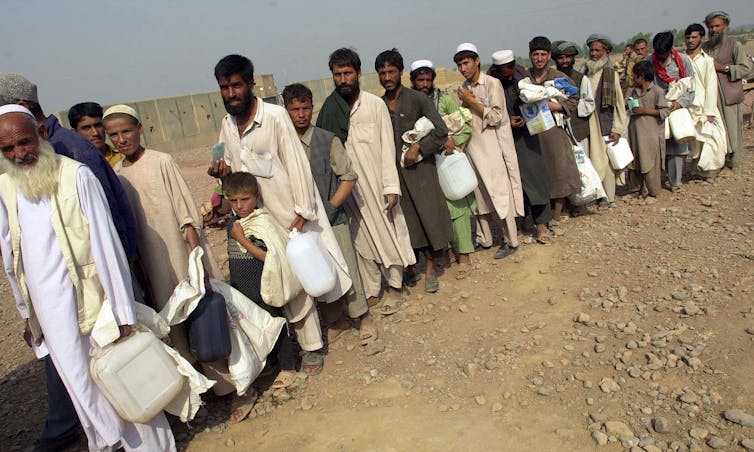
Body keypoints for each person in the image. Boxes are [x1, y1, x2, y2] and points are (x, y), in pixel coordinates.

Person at [0, 105, 175, 451]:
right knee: (84, 391)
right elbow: (11, 258)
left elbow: (106, 245)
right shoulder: (5, 187)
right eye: (7, 149)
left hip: (95, 303)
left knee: (124, 379)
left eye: (24, 142)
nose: (19, 154)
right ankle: (108, 444)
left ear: (41, 134)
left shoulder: (76, 176)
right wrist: (26, 314)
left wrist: (123, 312)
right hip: (52, 316)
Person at [102, 105, 244, 420]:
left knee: (204, 320)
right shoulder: (118, 175)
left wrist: (198, 262)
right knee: (173, 328)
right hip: (152, 266)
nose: (122, 139)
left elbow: (186, 214)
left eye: (126, 131)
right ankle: (197, 393)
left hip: (182, 257)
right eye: (114, 135)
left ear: (139, 128)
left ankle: (231, 389)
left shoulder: (161, 161)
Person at [208, 54, 346, 373]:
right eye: (224, 87)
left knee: (293, 278)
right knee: (264, 280)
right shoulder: (227, 125)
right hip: (250, 217)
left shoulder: (275, 116)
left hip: (284, 213)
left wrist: (303, 209)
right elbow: (229, 168)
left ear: (251, 84)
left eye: (236, 85)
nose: (231, 93)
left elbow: (296, 162)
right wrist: (221, 171)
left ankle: (312, 346)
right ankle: (279, 349)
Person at [316, 48, 415, 315]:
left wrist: (391, 186)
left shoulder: (374, 104)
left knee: (388, 233)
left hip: (377, 184)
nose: (343, 79)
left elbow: (387, 149)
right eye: (338, 74)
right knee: (360, 242)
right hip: (348, 191)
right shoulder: (329, 109)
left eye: (348, 73)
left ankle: (396, 286)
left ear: (358, 73)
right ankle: (372, 290)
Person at [281, 83, 378, 346]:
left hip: (333, 219)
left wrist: (332, 207)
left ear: (312, 108)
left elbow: (348, 176)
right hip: (302, 225)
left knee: (346, 265)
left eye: (306, 108)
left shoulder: (327, 139)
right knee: (318, 271)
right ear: (286, 111)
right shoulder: (284, 144)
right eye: (295, 109)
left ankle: (362, 316)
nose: (301, 114)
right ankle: (336, 320)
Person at [375, 49, 452, 293]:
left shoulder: (418, 99)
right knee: (405, 221)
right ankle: (410, 266)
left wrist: (419, 146)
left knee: (427, 215)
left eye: (391, 71)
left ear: (400, 73)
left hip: (420, 170)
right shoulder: (379, 104)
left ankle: (430, 268)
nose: (387, 77)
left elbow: (440, 131)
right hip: (395, 174)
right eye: (382, 72)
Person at [223, 172, 299, 389]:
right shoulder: (233, 223)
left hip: (264, 287)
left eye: (244, 199)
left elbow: (269, 256)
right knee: (255, 328)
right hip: (242, 288)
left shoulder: (260, 222)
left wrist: (242, 239)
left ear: (256, 197)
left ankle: (288, 367)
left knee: (275, 324)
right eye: (234, 201)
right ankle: (270, 363)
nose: (239, 205)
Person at [453, 42, 524, 259]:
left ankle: (511, 240)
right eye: (459, 65)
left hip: (492, 146)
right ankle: (485, 238)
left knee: (499, 191)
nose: (463, 68)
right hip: (472, 147)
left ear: (476, 61)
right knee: (480, 194)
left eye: (466, 63)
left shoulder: (492, 84)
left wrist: (472, 102)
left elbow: (496, 117)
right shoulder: (464, 88)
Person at [410, 59, 477, 278]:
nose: (424, 84)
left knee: (457, 207)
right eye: (420, 80)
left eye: (428, 79)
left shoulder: (445, 101)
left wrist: (453, 141)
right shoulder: (409, 104)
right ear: (413, 81)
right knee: (437, 210)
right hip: (425, 165)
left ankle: (465, 254)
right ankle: (446, 251)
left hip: (447, 162)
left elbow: (464, 126)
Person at [488, 50, 553, 243]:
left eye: (509, 70)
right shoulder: (491, 81)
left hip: (526, 136)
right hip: (502, 137)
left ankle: (542, 224)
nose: (507, 75)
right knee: (512, 181)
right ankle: (520, 224)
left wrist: (525, 118)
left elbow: (537, 101)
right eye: (503, 72)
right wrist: (507, 119)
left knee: (535, 177)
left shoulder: (523, 77)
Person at [525, 37, 581, 227]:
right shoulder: (525, 78)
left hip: (553, 130)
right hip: (531, 133)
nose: (539, 58)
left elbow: (574, 98)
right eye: (535, 54)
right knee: (537, 172)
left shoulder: (558, 77)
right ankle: (540, 215)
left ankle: (557, 213)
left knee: (557, 169)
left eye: (543, 54)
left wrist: (554, 106)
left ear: (549, 56)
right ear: (530, 56)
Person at [702, 10, 754, 169]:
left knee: (732, 129)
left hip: (729, 95)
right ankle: (717, 161)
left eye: (717, 26)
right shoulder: (705, 47)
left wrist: (724, 68)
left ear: (726, 26)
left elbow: (747, 69)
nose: (713, 30)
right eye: (710, 27)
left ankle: (734, 162)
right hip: (710, 97)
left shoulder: (734, 45)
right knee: (715, 130)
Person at [583, 34, 628, 208]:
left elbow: (618, 104)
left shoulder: (611, 74)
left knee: (606, 162)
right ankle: (597, 194)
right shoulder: (586, 71)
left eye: (597, 50)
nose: (593, 53)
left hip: (605, 124)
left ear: (606, 52)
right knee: (593, 160)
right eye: (591, 50)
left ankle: (608, 197)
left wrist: (617, 128)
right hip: (589, 124)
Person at [647, 31, 696, 191]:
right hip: (657, 110)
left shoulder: (683, 61)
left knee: (677, 145)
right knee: (657, 144)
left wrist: (679, 103)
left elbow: (691, 88)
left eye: (663, 54)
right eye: (658, 54)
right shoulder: (649, 62)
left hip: (677, 110)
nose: (660, 58)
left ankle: (675, 182)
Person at [685, 23, 726, 177]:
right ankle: (695, 169)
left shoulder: (707, 60)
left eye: (694, 37)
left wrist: (709, 111)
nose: (690, 40)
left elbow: (711, 86)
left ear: (701, 38)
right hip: (688, 105)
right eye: (688, 37)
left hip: (704, 106)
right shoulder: (682, 60)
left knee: (710, 138)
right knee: (693, 140)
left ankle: (711, 170)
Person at [627, 61, 670, 198]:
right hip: (635, 132)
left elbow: (664, 112)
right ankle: (637, 189)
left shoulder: (657, 91)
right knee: (635, 162)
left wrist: (645, 110)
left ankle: (653, 191)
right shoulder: (633, 92)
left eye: (635, 76)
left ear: (641, 76)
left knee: (650, 162)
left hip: (650, 134)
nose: (633, 78)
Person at [551, 41, 594, 164]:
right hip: (559, 134)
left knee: (583, 170)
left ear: (573, 58)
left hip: (578, 133)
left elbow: (589, 104)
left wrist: (567, 105)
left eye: (568, 57)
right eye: (561, 58)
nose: (565, 61)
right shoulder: (551, 79)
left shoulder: (582, 79)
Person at [68, 102, 125, 166]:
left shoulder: (124, 157)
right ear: (75, 132)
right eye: (87, 128)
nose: (95, 133)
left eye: (98, 125)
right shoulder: (74, 165)